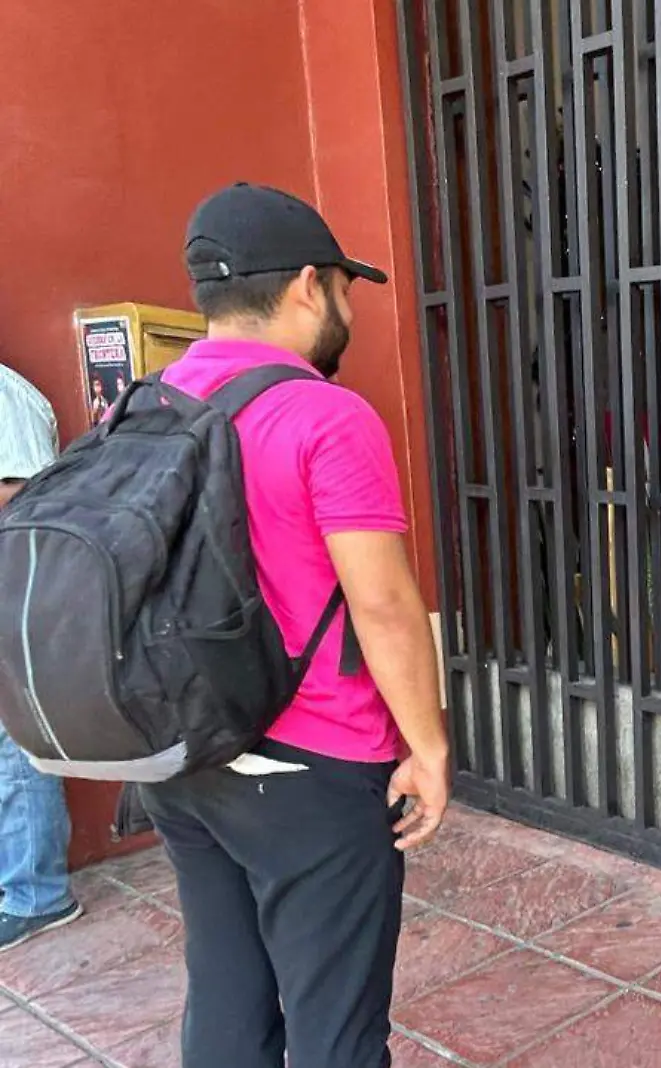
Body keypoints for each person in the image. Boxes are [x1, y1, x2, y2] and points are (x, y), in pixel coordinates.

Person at [139, 182, 448, 1067]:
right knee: (336, 1025)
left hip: (183, 751)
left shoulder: (145, 404)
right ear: (311, 285)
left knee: (228, 994)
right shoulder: (324, 413)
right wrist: (425, 749)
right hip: (311, 769)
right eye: (347, 289)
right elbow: (384, 604)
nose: (346, 308)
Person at [0, 363, 82, 951]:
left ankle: (38, 893)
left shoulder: (7, 395)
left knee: (14, 743)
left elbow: (30, 493)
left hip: (13, 584)